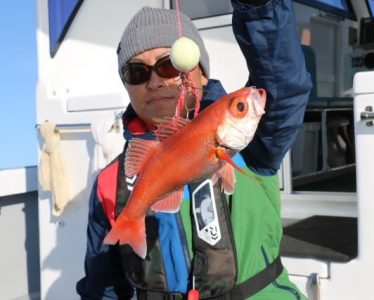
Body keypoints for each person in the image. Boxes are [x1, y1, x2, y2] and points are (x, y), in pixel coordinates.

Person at [76, 0, 312, 299]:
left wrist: (258, 7)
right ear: (127, 86)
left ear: (199, 73)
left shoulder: (252, 143)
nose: (155, 81)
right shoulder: (109, 183)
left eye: (169, 65)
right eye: (137, 72)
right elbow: (104, 288)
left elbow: (285, 86)